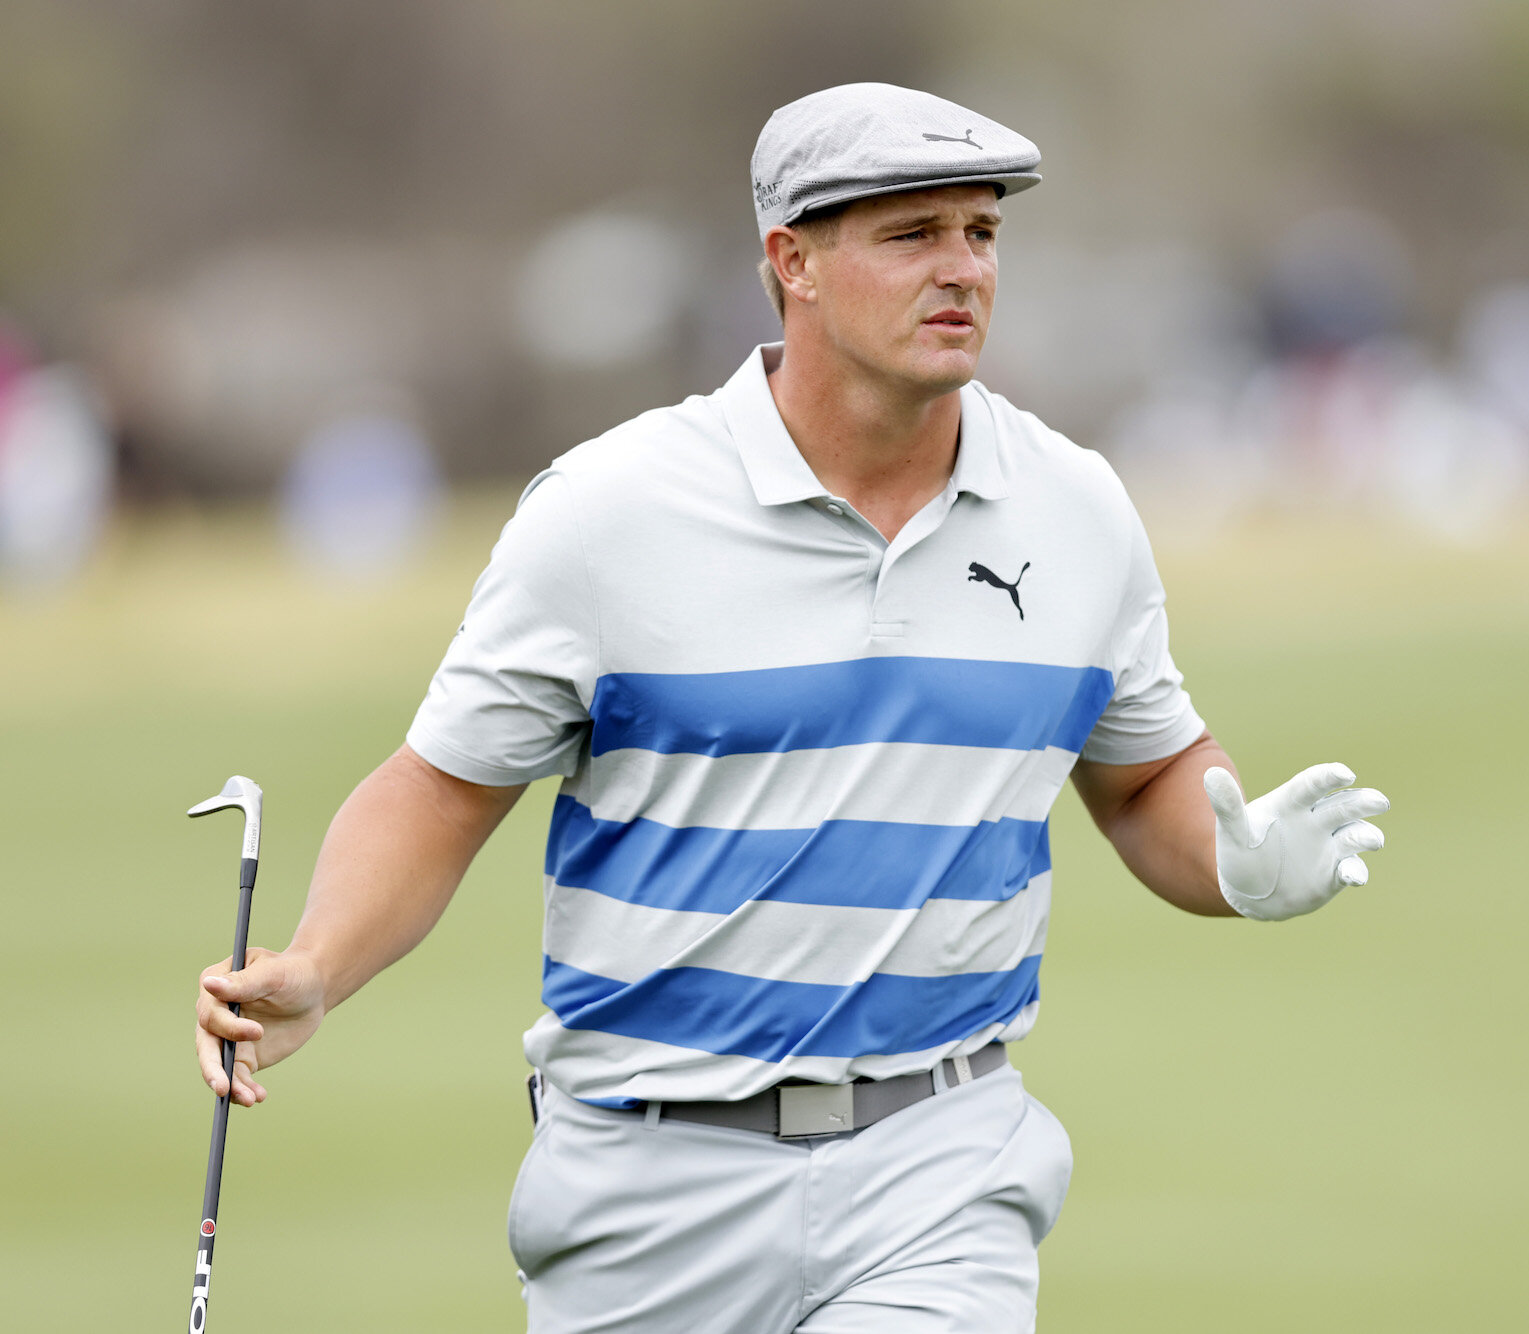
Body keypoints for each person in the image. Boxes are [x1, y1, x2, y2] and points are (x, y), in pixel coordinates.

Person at [193, 82, 1391, 1333]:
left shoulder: (1075, 510)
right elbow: (439, 790)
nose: (961, 269)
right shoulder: (609, 513)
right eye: (911, 233)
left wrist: (1234, 862)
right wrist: (319, 964)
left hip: (939, 1161)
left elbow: (1147, 775)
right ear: (792, 261)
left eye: (980, 233)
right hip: (645, 1183)